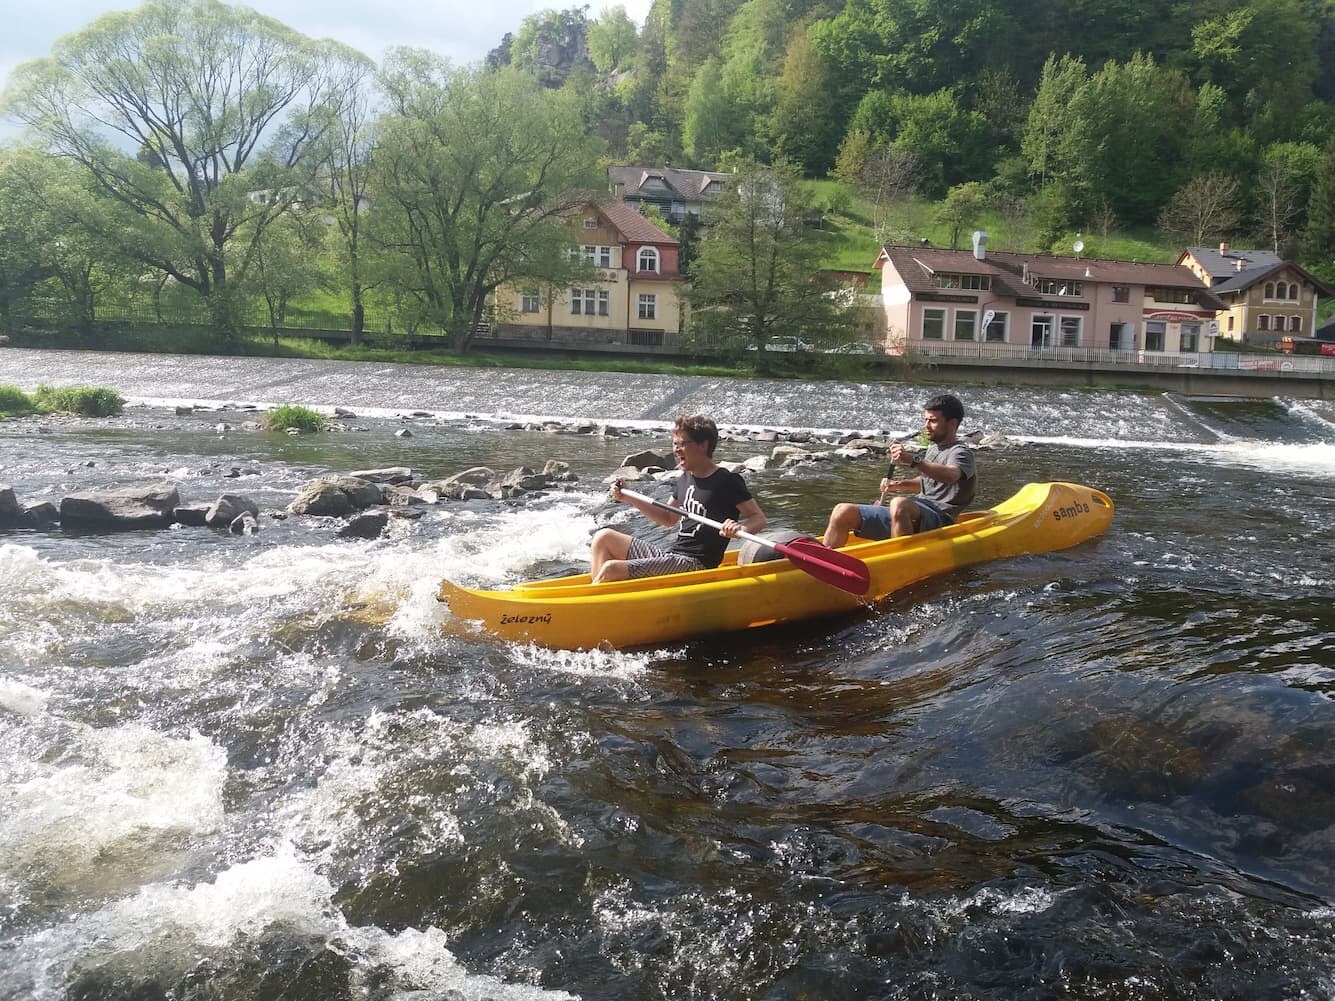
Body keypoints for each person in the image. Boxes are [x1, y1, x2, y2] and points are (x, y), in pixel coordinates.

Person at [590, 414, 767, 583]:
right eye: (675, 444)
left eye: (682, 444)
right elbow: (667, 518)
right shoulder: (684, 478)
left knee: (612, 569)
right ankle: (597, 595)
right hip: (673, 558)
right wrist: (630, 497)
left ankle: (593, 605)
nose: (676, 449)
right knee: (603, 538)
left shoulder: (726, 480)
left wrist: (739, 529)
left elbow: (758, 518)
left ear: (703, 445)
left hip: (695, 565)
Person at [822, 393, 976, 548]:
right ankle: (821, 561)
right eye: (926, 420)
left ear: (952, 423)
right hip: (917, 513)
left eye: (933, 421)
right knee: (842, 511)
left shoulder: (960, 452)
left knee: (899, 504)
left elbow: (951, 476)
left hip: (941, 518)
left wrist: (913, 460)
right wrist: (898, 484)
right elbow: (929, 482)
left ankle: (899, 557)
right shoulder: (933, 449)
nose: (926, 425)